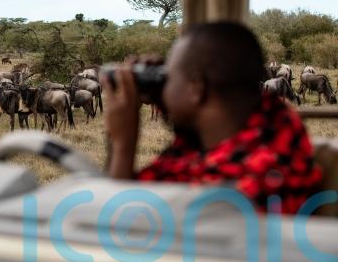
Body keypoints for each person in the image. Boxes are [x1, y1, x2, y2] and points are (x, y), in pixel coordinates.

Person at [101, 22, 322, 214]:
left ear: (197, 87)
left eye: (170, 76)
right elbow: (193, 141)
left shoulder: (233, 190)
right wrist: (172, 99)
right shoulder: (277, 127)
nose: (165, 85)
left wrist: (122, 144)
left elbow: (120, 225)